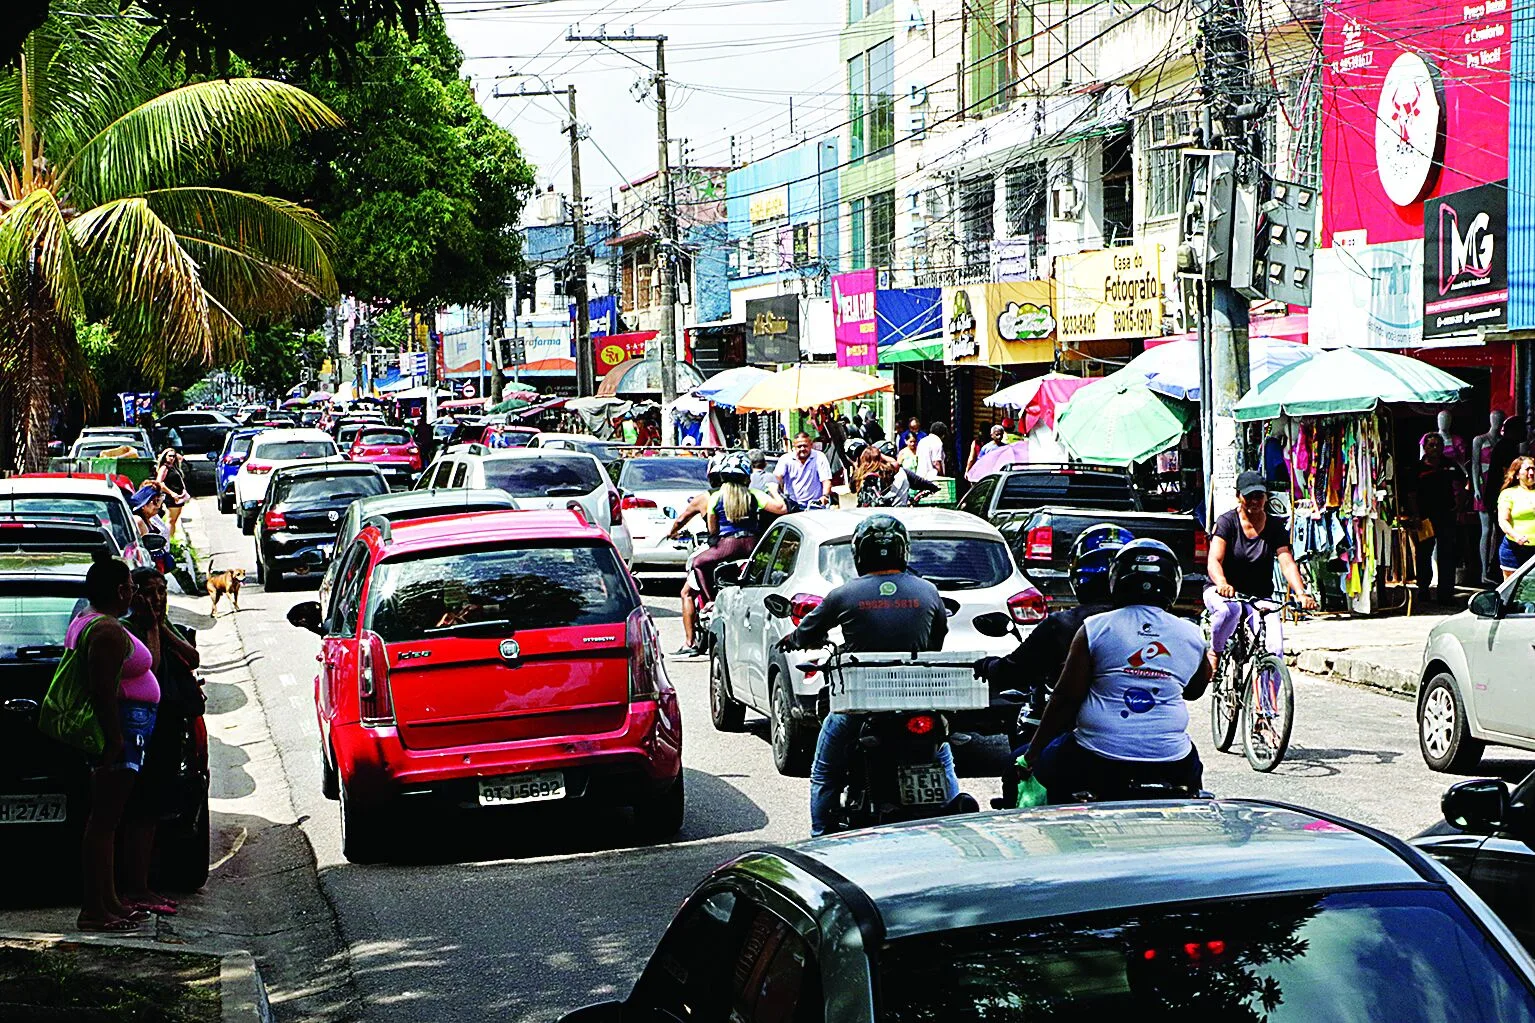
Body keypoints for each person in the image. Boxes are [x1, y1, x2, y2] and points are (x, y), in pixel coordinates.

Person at [778, 515, 961, 836]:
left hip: (859, 705)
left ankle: (821, 837)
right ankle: (956, 815)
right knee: (943, 755)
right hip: (921, 700)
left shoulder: (844, 594)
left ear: (859, 553)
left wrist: (794, 640)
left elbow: (805, 633)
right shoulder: (928, 591)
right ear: (903, 550)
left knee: (825, 773)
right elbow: (937, 639)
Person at [1025, 539, 1211, 804]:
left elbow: (1065, 698)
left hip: (1094, 756)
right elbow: (1195, 690)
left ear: (1117, 579)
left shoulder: (1095, 628)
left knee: (1045, 771)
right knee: (1193, 786)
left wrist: (1032, 755)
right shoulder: (1192, 634)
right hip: (1172, 761)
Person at [976, 524, 1133, 808]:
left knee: (1016, 764)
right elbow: (1193, 687)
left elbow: (1052, 691)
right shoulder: (1162, 628)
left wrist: (989, 667)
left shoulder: (1068, 626)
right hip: (1164, 752)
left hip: (1091, 745)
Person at [73, 553, 159, 932]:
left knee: (107, 821)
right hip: (119, 728)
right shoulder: (106, 631)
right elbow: (103, 690)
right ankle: (95, 909)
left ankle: (109, 901)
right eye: (131, 586)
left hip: (126, 727)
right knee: (103, 822)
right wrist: (115, 739)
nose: (134, 592)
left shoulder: (94, 622)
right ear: (121, 589)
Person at [122, 568, 201, 910]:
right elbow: (150, 667)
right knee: (139, 811)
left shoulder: (163, 625)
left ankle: (144, 884)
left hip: (167, 729)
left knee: (154, 811)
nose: (157, 599)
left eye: (161, 591)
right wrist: (152, 624)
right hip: (141, 732)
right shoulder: (130, 629)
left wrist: (161, 626)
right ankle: (135, 887)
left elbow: (192, 658)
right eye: (149, 592)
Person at [1205, 471, 1315, 666]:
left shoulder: (1275, 526)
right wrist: (1222, 583)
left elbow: (1286, 562)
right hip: (1225, 592)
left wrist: (1301, 593)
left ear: (1266, 497)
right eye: (1249, 497)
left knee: (1275, 648)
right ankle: (1216, 651)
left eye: (1259, 496)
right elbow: (1214, 559)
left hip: (1259, 596)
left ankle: (1268, 697)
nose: (1255, 501)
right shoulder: (1227, 522)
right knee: (1229, 611)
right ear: (1238, 496)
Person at [1410, 433, 1468, 604]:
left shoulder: (1450, 465)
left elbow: (1464, 482)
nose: (1435, 448)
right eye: (1431, 445)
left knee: (1447, 553)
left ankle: (1446, 591)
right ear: (1425, 448)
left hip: (1446, 516)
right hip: (1425, 518)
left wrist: (1460, 504)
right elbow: (1411, 494)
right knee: (1424, 553)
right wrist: (1415, 515)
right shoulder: (1417, 469)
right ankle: (1423, 588)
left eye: (1438, 445)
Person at [1473, 410, 1507, 583]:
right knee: (1486, 530)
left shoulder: (1503, 442)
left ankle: (1492, 569)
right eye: (1495, 419)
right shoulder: (1480, 440)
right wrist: (1476, 488)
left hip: (1500, 486)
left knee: (1498, 530)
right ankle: (1483, 572)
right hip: (1484, 485)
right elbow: (1475, 465)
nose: (1497, 421)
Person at [1497, 456, 1535, 579]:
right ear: (1517, 474)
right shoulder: (1508, 494)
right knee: (1513, 593)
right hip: (1514, 551)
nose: (1531, 473)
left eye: (1534, 469)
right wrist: (1516, 536)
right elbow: (1503, 521)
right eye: (1527, 469)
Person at [773, 432, 832, 510]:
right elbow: (777, 478)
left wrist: (825, 496)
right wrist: (779, 496)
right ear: (794, 446)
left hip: (815, 505)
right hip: (793, 506)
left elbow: (826, 480)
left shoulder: (819, 457)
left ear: (811, 445)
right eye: (799, 446)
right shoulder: (786, 459)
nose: (802, 449)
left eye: (805, 446)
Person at [154, 448, 191, 538]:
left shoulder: (173, 467)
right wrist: (172, 493)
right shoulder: (164, 468)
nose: (172, 458)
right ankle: (168, 539)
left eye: (173, 456)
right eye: (170, 456)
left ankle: (172, 538)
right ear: (165, 457)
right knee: (171, 519)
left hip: (179, 497)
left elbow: (180, 457)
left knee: (174, 520)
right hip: (172, 497)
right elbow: (159, 482)